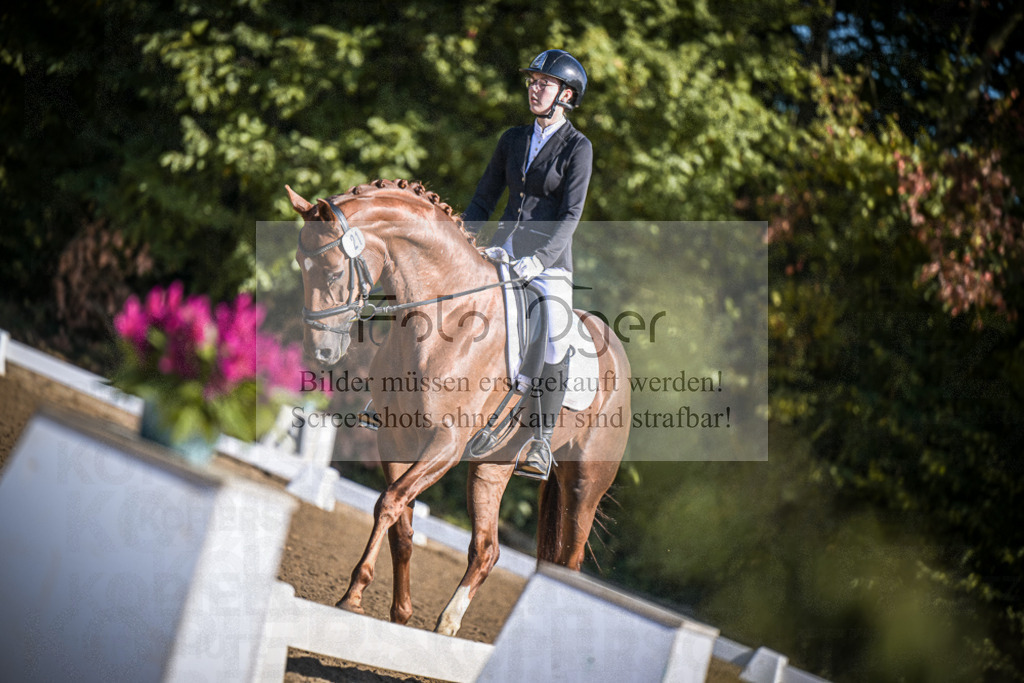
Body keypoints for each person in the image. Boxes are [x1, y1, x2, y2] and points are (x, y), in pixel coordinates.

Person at [462, 49, 592, 480]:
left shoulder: (578, 148)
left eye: (544, 83)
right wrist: (461, 241)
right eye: (532, 81)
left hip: (548, 263)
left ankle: (539, 439)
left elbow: (570, 217)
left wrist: (538, 261)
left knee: (556, 333)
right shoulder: (512, 139)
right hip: (501, 251)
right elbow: (484, 198)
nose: (534, 88)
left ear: (566, 95)